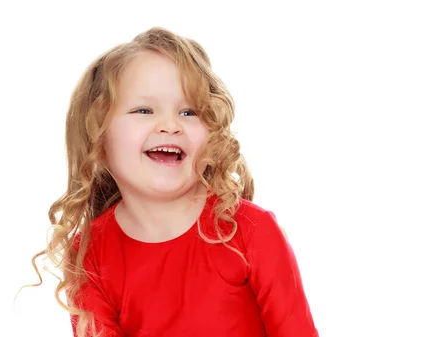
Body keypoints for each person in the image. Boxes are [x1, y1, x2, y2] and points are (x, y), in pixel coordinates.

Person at [22, 27, 318, 337]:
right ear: (98, 139)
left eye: (189, 111)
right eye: (144, 110)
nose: (170, 125)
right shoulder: (89, 253)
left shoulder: (251, 230)